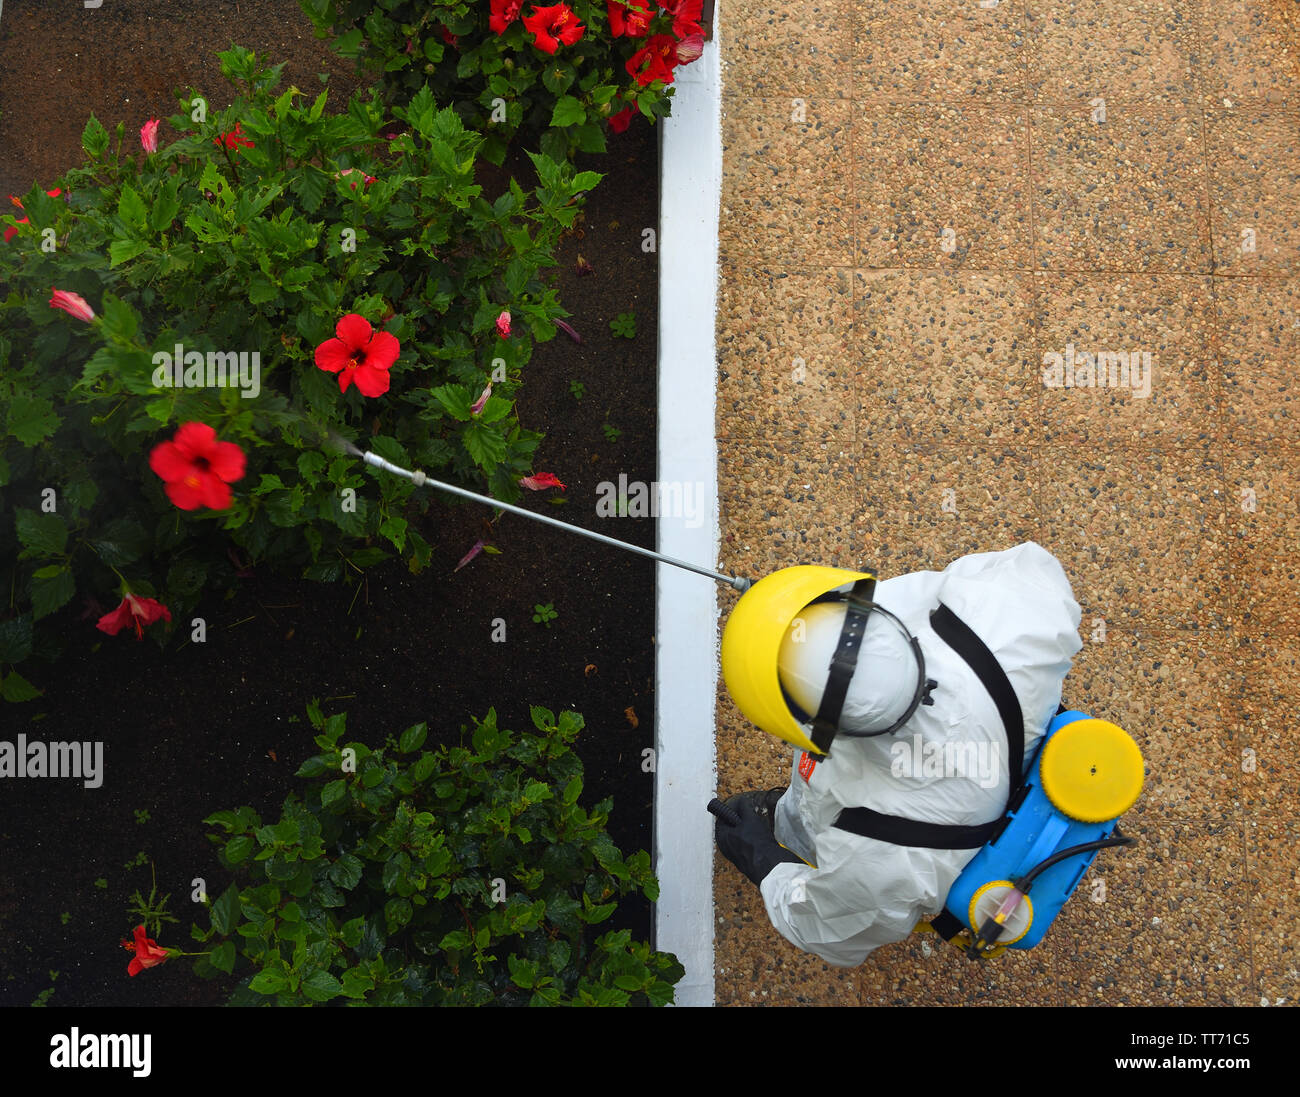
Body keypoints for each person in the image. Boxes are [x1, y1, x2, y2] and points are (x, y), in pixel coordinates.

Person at [714, 541, 1083, 967]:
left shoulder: (880, 854)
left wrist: (764, 858)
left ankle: (788, 822)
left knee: (817, 817)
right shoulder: (1005, 617)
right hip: (1005, 760)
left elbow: (830, 929)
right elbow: (1038, 576)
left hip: (935, 839)